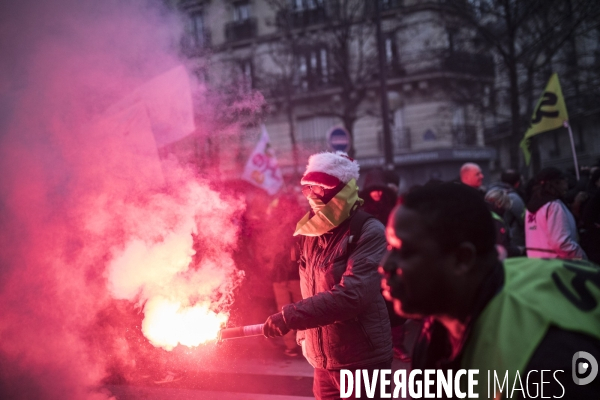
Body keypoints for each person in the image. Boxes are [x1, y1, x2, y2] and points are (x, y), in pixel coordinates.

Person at [380, 183, 600, 398]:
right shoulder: (441, 317)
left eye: (404, 250)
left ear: (462, 259)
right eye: (389, 247)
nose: (384, 265)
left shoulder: (545, 365)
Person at [262, 151, 393, 400]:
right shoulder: (311, 232)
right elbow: (310, 288)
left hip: (361, 360)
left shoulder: (368, 230)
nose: (311, 196)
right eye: (307, 188)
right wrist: (305, 338)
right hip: (323, 362)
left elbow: (351, 296)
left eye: (319, 188)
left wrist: (291, 317)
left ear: (341, 190)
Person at [525, 167, 587, 259]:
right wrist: (582, 257)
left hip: (537, 265)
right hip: (558, 265)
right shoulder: (553, 206)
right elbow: (562, 243)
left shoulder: (531, 207)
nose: (567, 184)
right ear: (556, 183)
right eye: (564, 180)